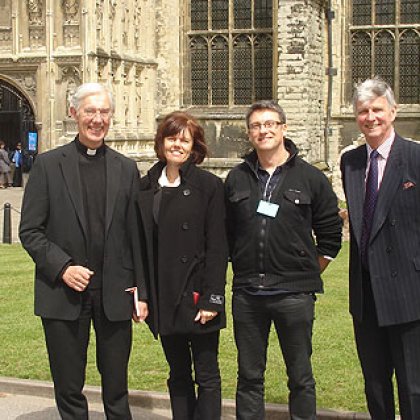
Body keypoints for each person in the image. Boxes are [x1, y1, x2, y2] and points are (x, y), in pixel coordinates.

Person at [19, 82, 148, 419]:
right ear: (73, 113)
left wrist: (141, 294)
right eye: (90, 111)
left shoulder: (126, 168)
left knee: (117, 388)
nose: (97, 119)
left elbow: (136, 237)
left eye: (104, 112)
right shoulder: (48, 166)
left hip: (114, 293)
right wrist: (63, 267)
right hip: (64, 292)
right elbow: (30, 231)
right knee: (69, 386)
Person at [225, 100, 342, 420]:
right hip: (248, 295)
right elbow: (227, 233)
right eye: (256, 126)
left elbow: (331, 237)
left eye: (270, 124)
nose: (263, 130)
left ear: (283, 128)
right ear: (249, 133)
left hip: (294, 295)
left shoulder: (311, 178)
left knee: (300, 376)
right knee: (249, 377)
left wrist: (304, 273)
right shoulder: (236, 178)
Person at [136, 111, 228, 419]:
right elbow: (141, 249)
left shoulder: (210, 186)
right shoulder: (146, 187)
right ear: (161, 142)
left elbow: (218, 247)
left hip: (198, 294)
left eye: (184, 140)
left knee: (207, 374)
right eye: (172, 138)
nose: (177, 145)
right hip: (166, 295)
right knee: (177, 373)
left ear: (194, 147)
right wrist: (144, 296)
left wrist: (214, 297)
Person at [340, 78, 420, 419]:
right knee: (375, 384)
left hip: (408, 291)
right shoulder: (351, 162)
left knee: (413, 386)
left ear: (393, 111)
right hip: (366, 294)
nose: (370, 117)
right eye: (363, 111)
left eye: (377, 110)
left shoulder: (415, 156)